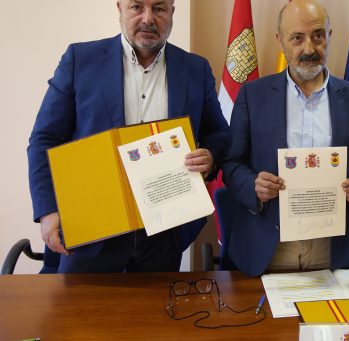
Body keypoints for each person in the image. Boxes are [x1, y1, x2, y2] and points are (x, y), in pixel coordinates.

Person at [27, 0, 229, 273]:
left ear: (171, 13)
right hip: (92, 227)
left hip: (164, 231)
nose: (148, 18)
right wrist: (48, 210)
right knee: (81, 314)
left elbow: (218, 132)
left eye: (159, 8)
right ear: (119, 9)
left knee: (151, 315)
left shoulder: (195, 69)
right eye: (137, 7)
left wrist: (211, 155)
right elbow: (44, 139)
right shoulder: (80, 60)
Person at [222, 0, 349, 277]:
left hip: (331, 251)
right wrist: (253, 185)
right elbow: (232, 163)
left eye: (318, 35)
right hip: (268, 252)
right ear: (280, 41)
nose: (309, 48)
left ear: (330, 36)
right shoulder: (252, 96)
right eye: (297, 38)